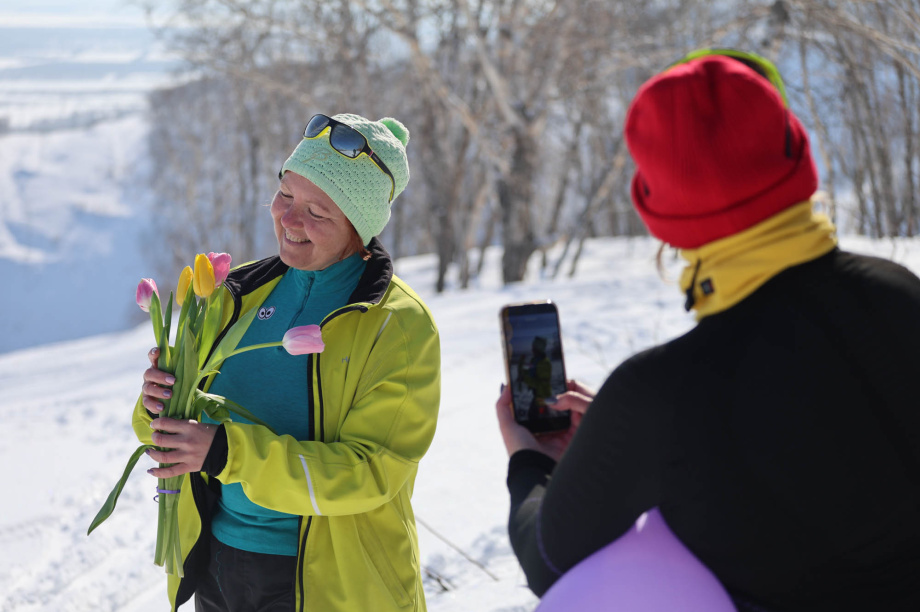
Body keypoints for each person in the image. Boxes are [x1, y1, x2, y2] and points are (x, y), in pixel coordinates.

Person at [496, 49, 920, 611]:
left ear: (658, 210)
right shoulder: (900, 292)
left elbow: (547, 560)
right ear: (797, 153)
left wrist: (529, 459)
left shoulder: (658, 393)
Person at [135, 113, 440, 612]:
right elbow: (167, 431)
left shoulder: (397, 326)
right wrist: (157, 406)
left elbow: (372, 472)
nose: (289, 220)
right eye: (286, 195)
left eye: (317, 212)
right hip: (218, 568)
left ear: (358, 229)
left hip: (327, 583)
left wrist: (226, 453)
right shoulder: (233, 294)